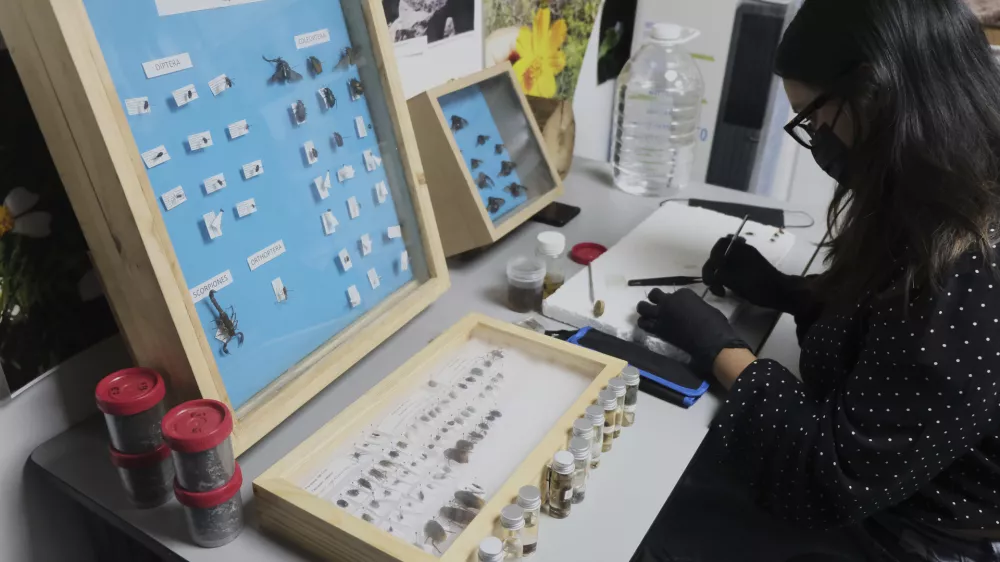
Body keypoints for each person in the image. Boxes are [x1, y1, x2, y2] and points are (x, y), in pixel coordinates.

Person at [635, 0, 1000, 560]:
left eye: (813, 117)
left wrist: (721, 349)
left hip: (903, 532)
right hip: (884, 491)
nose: (815, 140)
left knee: (640, 513)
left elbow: (825, 477)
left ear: (876, 93)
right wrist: (789, 294)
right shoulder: (940, 189)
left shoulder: (971, 266)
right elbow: (888, 340)